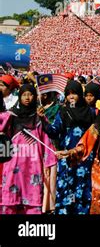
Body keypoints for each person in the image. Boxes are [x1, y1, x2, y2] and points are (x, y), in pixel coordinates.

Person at [0, 84, 57, 214]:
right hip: (13, 163)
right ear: (19, 96)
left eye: (30, 94)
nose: (27, 98)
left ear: (35, 97)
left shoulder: (39, 117)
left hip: (33, 163)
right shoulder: (10, 116)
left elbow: (47, 139)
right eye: (24, 94)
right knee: (10, 200)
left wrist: (49, 163)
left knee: (32, 198)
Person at [45, 80, 95, 214]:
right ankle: (64, 211)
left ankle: (81, 211)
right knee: (66, 184)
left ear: (80, 94)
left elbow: (96, 133)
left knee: (82, 184)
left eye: (75, 93)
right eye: (68, 94)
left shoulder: (90, 112)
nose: (71, 97)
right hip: (66, 156)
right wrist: (44, 122)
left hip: (85, 156)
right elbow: (54, 131)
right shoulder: (62, 112)